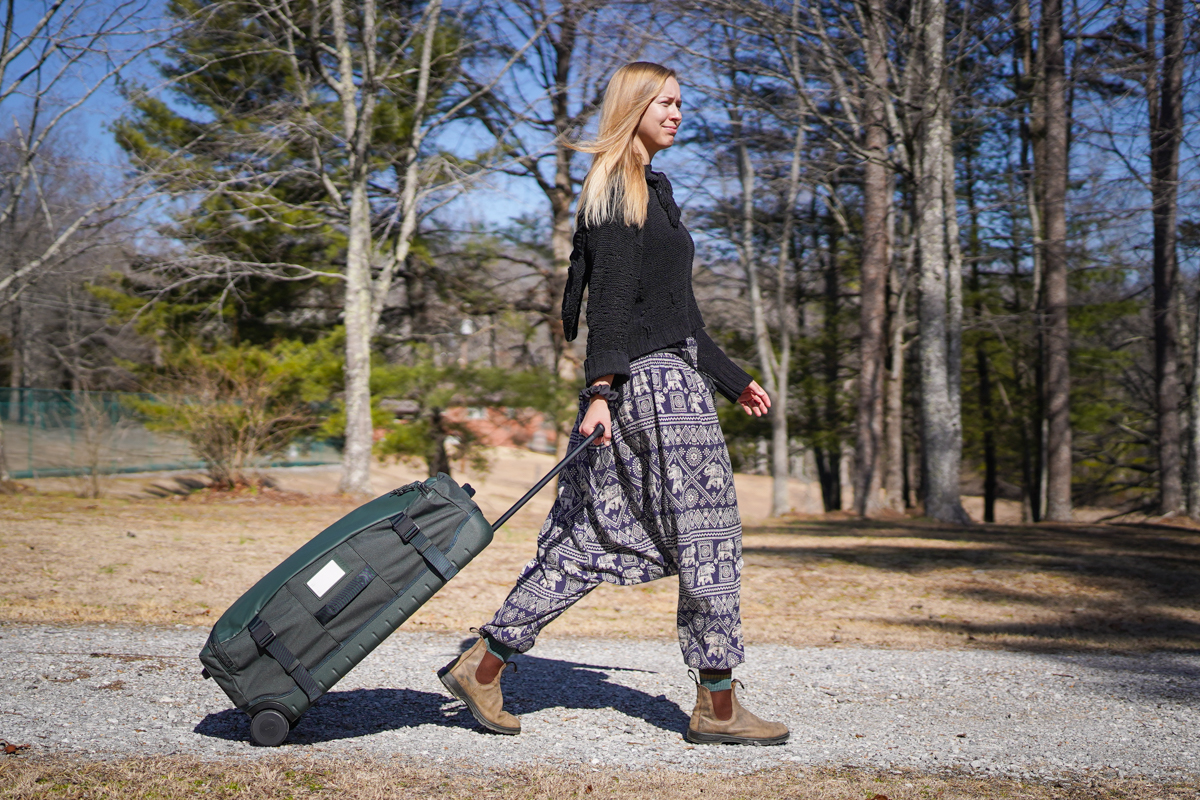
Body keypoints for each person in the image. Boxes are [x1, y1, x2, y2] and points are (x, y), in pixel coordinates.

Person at [437, 61, 789, 746]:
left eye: (682, 103)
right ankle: (717, 707)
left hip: (668, 380)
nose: (677, 113)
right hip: (654, 393)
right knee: (710, 537)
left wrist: (730, 376)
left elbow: (680, 311)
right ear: (633, 105)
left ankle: (484, 664)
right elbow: (611, 307)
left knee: (594, 538)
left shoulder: (652, 190)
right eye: (665, 102)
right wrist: (601, 391)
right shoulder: (619, 189)